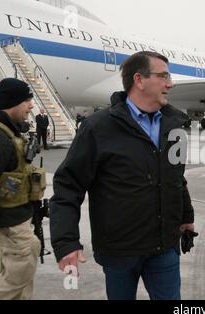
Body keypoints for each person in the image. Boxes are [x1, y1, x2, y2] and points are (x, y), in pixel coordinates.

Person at [49, 51, 195, 300]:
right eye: (163, 76)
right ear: (139, 79)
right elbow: (68, 186)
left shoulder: (175, 125)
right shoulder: (98, 127)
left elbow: (176, 177)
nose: (170, 84)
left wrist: (186, 215)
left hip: (164, 247)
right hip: (120, 251)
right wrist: (66, 242)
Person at [0, 78, 41, 300]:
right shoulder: (0, 138)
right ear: (14, 102)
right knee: (20, 270)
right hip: (9, 224)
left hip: (16, 219)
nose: (31, 106)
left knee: (19, 281)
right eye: (27, 100)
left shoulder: (9, 132)